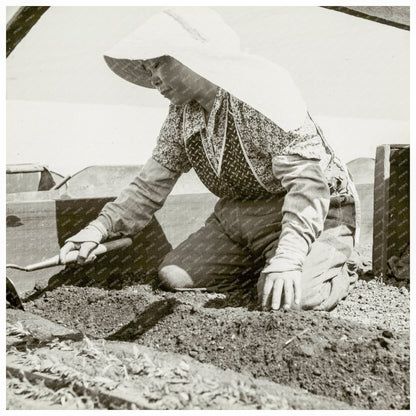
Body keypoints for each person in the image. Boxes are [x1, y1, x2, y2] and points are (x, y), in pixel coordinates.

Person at [59, 8, 360, 312]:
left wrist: (288, 259)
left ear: (193, 55)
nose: (153, 80)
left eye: (158, 64)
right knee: (174, 275)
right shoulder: (181, 114)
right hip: (238, 217)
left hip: (312, 213)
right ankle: (266, 263)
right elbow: (149, 185)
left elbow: (307, 185)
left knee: (296, 298)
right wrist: (99, 228)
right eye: (147, 69)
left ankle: (340, 264)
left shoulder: (261, 92)